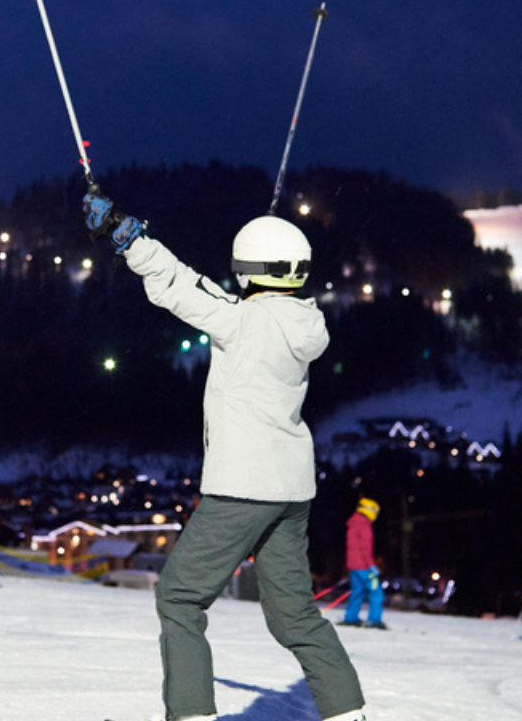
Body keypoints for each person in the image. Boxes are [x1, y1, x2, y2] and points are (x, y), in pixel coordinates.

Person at [83, 190, 367, 721]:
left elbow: (179, 285)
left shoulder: (244, 320)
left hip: (243, 487)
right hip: (291, 490)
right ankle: (350, 716)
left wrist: (126, 237)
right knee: (295, 617)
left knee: (179, 598)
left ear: (246, 269)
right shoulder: (304, 323)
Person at [341, 498, 386, 630]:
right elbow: (365, 549)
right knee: (376, 592)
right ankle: (374, 620)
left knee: (357, 591)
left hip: (353, 566)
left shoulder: (353, 524)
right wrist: (371, 565)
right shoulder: (365, 526)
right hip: (364, 567)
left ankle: (351, 618)